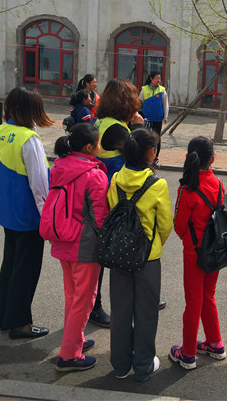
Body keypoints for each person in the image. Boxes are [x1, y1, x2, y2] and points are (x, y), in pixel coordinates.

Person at [108, 128, 173, 381]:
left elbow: (112, 210)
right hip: (148, 258)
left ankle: (120, 365)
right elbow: (165, 225)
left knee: (120, 310)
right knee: (146, 312)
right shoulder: (157, 185)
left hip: (119, 254)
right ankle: (143, 365)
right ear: (151, 153)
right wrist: (155, 245)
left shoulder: (115, 179)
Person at [46, 124, 110, 372]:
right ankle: (68, 356)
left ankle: (75, 340)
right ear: (89, 146)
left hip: (62, 238)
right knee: (84, 300)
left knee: (72, 296)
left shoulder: (59, 167)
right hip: (84, 245)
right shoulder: (94, 175)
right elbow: (100, 217)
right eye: (98, 143)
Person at [0, 87, 53, 339]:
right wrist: (48, 220)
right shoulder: (29, 140)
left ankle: (4, 316)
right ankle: (20, 323)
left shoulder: (1, 131)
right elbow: (39, 186)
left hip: (9, 212)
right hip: (29, 216)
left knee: (10, 265)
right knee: (26, 271)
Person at [91, 79, 145, 328]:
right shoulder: (117, 130)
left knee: (107, 252)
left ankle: (98, 304)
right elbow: (141, 158)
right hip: (116, 199)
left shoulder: (101, 122)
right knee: (118, 251)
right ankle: (96, 307)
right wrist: (140, 128)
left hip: (104, 194)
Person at [170, 136, 227, 370]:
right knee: (208, 296)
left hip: (194, 252)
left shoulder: (187, 188)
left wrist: (189, 239)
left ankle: (188, 354)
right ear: (213, 159)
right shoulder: (218, 183)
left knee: (193, 302)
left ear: (187, 157)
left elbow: (178, 225)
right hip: (215, 249)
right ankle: (215, 343)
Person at [139, 72, 169, 165]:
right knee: (145, 137)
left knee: (157, 138)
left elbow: (165, 104)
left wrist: (165, 116)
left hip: (157, 118)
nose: (159, 80)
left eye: (160, 78)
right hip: (146, 118)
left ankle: (155, 157)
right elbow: (139, 103)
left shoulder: (162, 90)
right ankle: (144, 156)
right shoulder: (144, 89)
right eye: (157, 78)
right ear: (151, 79)